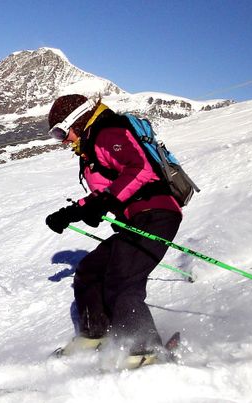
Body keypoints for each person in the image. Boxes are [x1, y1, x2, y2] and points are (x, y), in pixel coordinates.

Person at [44, 94, 183, 359]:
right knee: (91, 270)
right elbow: (108, 187)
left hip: (155, 213)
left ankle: (145, 351)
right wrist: (73, 212)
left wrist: (106, 200)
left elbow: (140, 167)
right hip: (137, 218)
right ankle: (94, 334)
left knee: (122, 280)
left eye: (62, 132)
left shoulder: (107, 132)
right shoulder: (91, 144)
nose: (63, 140)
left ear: (78, 120)